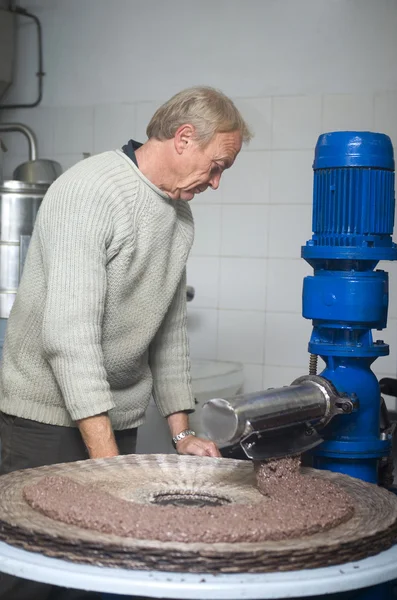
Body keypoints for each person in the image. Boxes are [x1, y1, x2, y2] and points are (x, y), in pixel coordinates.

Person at [0, 86, 252, 598]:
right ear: (184, 138)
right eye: (217, 164)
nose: (217, 182)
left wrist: (183, 434)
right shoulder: (89, 192)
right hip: (43, 421)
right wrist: (108, 463)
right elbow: (69, 336)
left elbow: (170, 331)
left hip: (116, 421)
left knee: (102, 563)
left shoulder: (179, 217)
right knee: (36, 571)